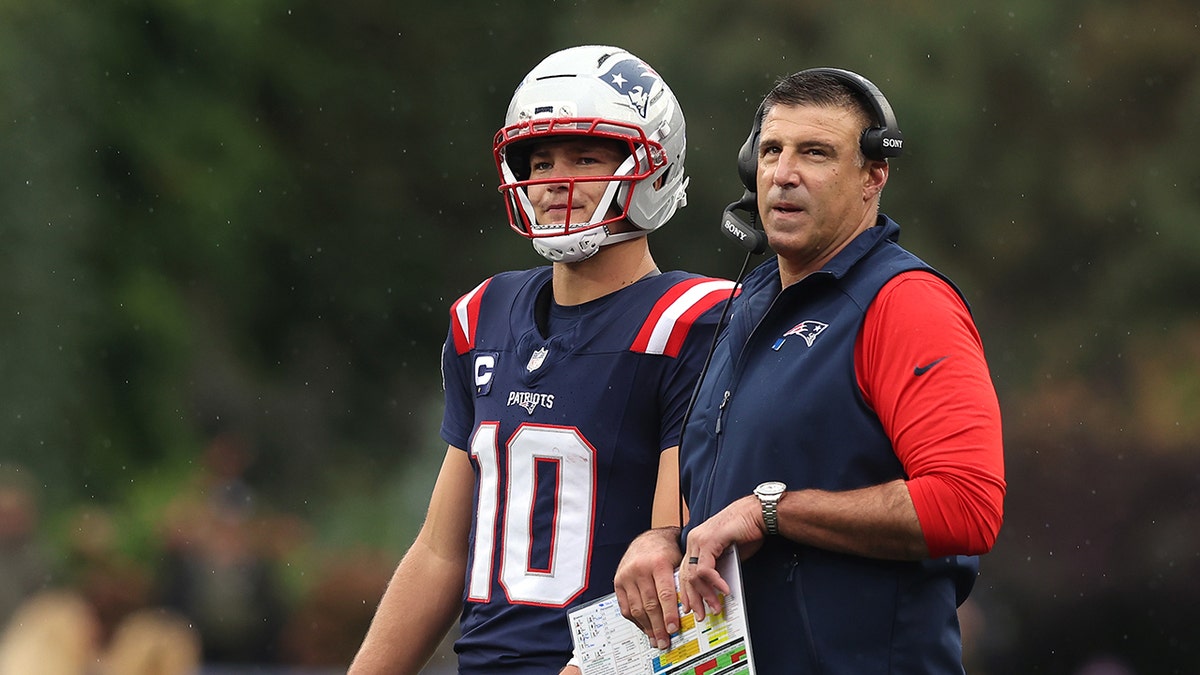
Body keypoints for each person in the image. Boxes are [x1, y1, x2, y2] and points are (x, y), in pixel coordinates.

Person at [349, 45, 736, 674]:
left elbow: (676, 565)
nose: (556, 179)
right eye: (540, 159)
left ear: (652, 166)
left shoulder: (692, 321)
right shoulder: (485, 314)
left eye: (585, 157)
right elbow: (441, 553)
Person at [613, 67, 1006, 673]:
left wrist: (771, 511)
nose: (783, 174)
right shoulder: (745, 304)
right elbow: (721, 509)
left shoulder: (907, 303)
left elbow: (965, 505)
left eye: (816, 153)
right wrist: (665, 541)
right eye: (771, 152)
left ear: (875, 175)